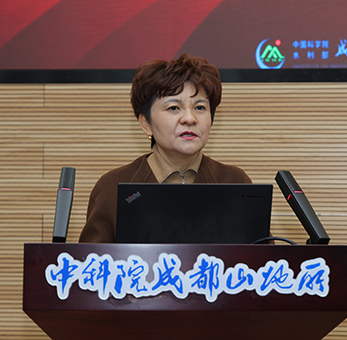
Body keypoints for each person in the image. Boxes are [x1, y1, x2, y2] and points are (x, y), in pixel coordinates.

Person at [78, 54, 252, 243]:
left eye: (200, 108)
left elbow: (262, 259)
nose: (190, 118)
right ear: (146, 124)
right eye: (173, 108)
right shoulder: (113, 187)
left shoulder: (235, 183)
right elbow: (91, 261)